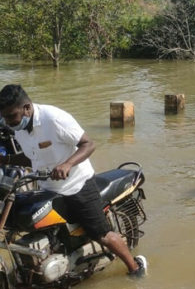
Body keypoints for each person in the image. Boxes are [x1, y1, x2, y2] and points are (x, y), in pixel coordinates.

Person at [0, 85, 147, 277]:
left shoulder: (53, 119)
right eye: (5, 117)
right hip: (48, 187)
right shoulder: (19, 129)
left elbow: (88, 144)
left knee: (101, 234)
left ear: (26, 108)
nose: (8, 122)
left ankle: (135, 268)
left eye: (11, 116)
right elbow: (33, 157)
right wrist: (6, 160)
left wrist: (67, 164)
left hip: (77, 185)